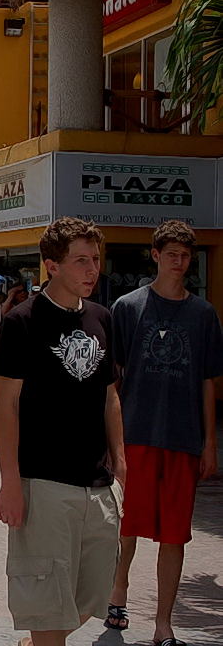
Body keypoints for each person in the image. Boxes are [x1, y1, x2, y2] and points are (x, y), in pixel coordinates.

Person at [0, 217, 125, 646]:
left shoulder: (102, 318)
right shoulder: (22, 322)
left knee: (93, 596)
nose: (92, 270)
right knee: (47, 607)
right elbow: (6, 406)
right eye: (81, 261)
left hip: (98, 485)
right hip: (44, 485)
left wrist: (121, 466)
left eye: (96, 259)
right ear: (52, 265)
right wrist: (10, 482)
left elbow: (110, 396)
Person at [106, 221, 222, 645]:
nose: (179, 262)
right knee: (127, 525)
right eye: (172, 254)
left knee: (175, 535)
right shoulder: (127, 307)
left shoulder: (203, 315)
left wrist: (209, 443)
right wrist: (111, 442)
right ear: (155, 255)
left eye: (186, 256)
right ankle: (118, 591)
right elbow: (111, 382)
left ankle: (163, 624)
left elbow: (208, 382)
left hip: (183, 439)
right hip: (136, 435)